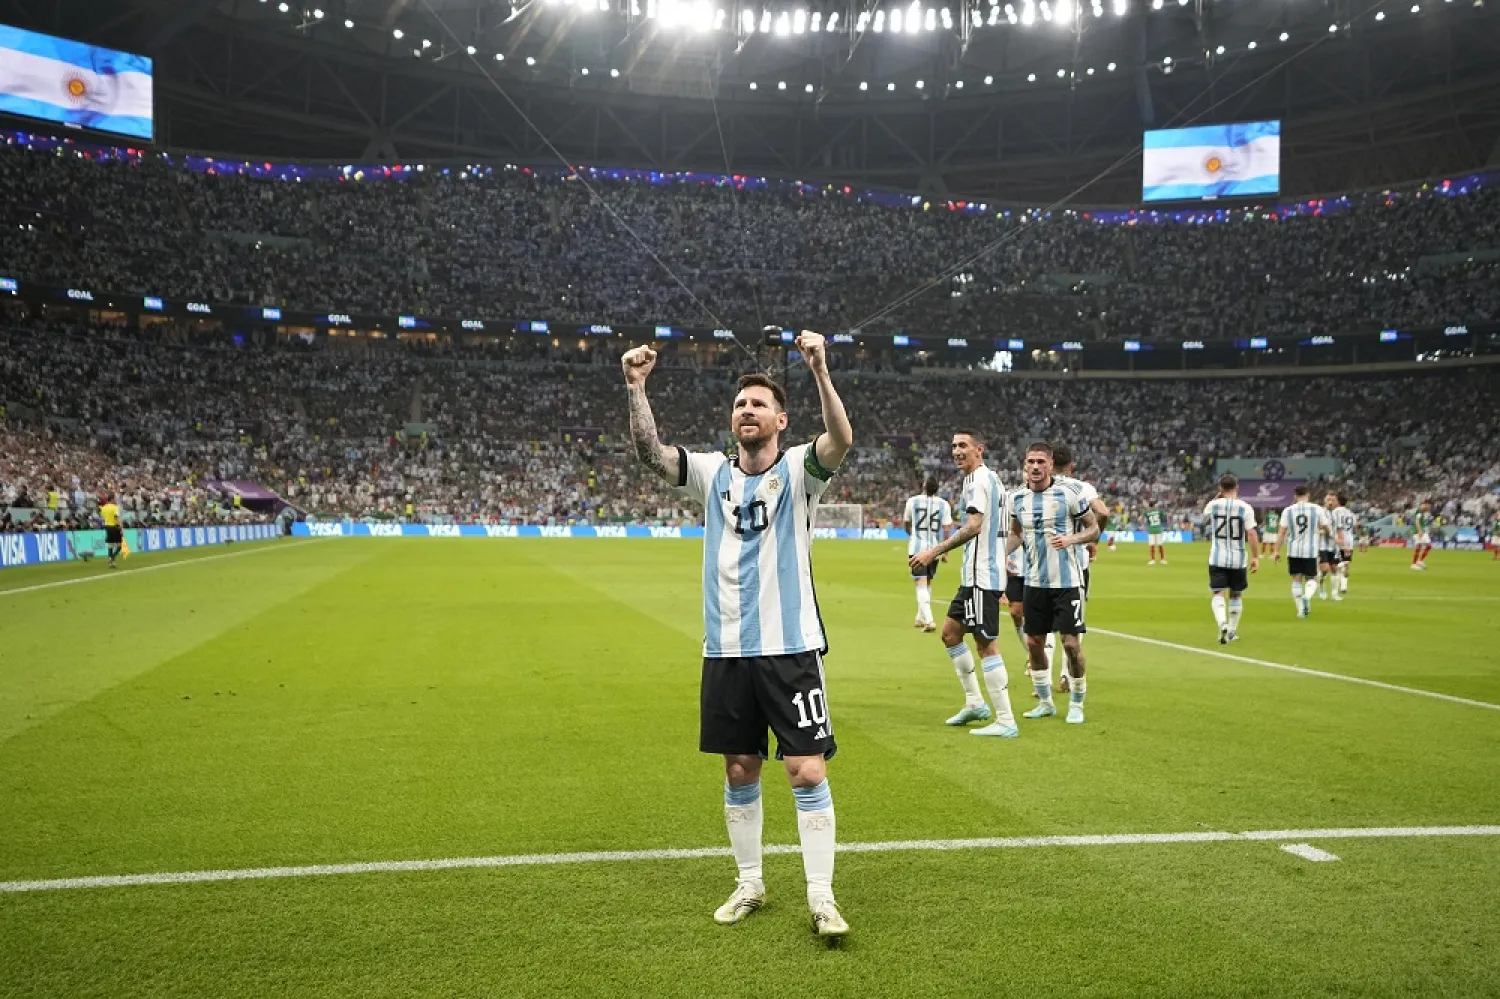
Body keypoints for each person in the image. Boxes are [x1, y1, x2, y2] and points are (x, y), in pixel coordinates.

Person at [622, 332, 853, 938]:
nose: (745, 410)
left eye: (757, 404)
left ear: (781, 419)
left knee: (805, 770)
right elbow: (650, 453)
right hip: (725, 648)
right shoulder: (709, 474)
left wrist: (820, 370)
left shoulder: (803, 470)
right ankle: (750, 882)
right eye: (738, 404)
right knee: (739, 769)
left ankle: (821, 896)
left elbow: (842, 440)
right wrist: (636, 386)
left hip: (790, 648)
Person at [909, 432, 1019, 739]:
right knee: (950, 633)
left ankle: (1006, 719)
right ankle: (975, 703)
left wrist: (934, 550)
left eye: (963, 446)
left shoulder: (977, 481)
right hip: (975, 574)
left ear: (979, 449)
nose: (957, 451)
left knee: (986, 645)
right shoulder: (993, 480)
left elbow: (974, 526)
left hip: (981, 576)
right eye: (954, 446)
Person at [1008, 442, 1101, 725]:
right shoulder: (1018, 499)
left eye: (1040, 462)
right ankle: (1045, 702)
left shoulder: (1068, 494)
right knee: (1034, 643)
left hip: (1067, 582)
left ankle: (1076, 702)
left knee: (1071, 644)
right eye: (1030, 462)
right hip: (1034, 582)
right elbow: (1016, 533)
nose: (1035, 467)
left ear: (1050, 465)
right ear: (1025, 465)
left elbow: (1094, 527)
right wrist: (998, 556)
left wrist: (1071, 539)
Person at [1050, 444, 1109, 693]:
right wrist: (1092, 539)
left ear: (1049, 463)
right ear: (1072, 465)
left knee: (1042, 626)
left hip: (1043, 565)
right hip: (1075, 565)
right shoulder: (1083, 488)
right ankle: (1067, 675)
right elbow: (1103, 511)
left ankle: (1040, 677)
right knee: (1072, 626)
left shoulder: (1040, 486)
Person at [1203, 474, 1259, 644]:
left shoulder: (1212, 505)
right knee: (1236, 594)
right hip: (1238, 558)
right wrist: (1256, 557)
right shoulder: (1246, 507)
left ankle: (1222, 623)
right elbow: (1251, 533)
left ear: (1220, 489)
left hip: (1217, 557)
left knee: (1218, 592)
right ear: (1238, 488)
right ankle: (1232, 631)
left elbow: (1204, 517)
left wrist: (1217, 496)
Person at [903, 477, 953, 633]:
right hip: (934, 550)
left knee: (920, 583)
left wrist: (912, 534)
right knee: (927, 583)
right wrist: (945, 551)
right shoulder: (943, 505)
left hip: (917, 548)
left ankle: (929, 620)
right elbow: (946, 530)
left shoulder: (912, 501)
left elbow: (906, 522)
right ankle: (920, 617)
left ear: (924, 486)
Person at [1275, 485, 1331, 619]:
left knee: (1296, 580)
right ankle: (1307, 596)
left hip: (1293, 550)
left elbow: (1281, 532)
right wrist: (1323, 532)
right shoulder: (1316, 509)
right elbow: (1327, 528)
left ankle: (1300, 610)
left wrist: (1276, 550)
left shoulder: (1288, 511)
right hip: (1310, 551)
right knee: (1312, 578)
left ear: (1295, 496)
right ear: (1308, 495)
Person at [1316, 492, 1342, 602]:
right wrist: (1326, 533)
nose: (1331, 502)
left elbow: (1340, 529)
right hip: (1322, 546)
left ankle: (1334, 594)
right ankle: (1321, 588)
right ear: (1325, 501)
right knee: (1325, 569)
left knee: (1335, 569)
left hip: (1334, 547)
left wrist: (1341, 541)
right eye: (1329, 500)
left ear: (1336, 502)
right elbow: (1316, 529)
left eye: (1333, 500)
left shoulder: (1338, 514)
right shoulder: (1320, 513)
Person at [1332, 494, 1357, 595]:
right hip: (1349, 540)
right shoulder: (1351, 514)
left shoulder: (1334, 512)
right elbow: (1355, 527)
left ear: (1337, 501)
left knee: (1336, 564)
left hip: (1338, 539)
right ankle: (1343, 586)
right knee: (1346, 564)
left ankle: (1337, 586)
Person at [100, 493, 123, 568]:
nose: (115, 500)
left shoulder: (104, 508)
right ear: (112, 499)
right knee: (119, 545)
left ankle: (111, 563)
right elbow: (116, 517)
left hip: (107, 527)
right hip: (115, 527)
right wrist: (121, 528)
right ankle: (112, 557)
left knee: (110, 545)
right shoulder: (114, 507)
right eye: (115, 499)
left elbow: (103, 517)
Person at [1411, 500, 1433, 570]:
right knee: (1423, 546)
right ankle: (1414, 563)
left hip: (1420, 531)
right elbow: (1417, 521)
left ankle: (1419, 561)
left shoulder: (1421, 512)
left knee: (1422, 546)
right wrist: (1419, 531)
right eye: (1428, 506)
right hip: (1419, 531)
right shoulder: (1419, 512)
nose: (1429, 508)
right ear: (1424, 505)